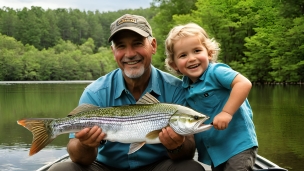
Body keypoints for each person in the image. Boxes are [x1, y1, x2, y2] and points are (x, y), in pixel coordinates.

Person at [48, 15, 205, 171]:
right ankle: (51, 128)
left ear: (153, 46)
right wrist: (85, 144)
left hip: (158, 166)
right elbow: (78, 157)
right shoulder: (95, 92)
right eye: (121, 46)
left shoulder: (177, 89)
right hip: (105, 166)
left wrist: (176, 146)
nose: (129, 54)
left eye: (137, 44)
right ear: (113, 51)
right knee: (62, 169)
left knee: (190, 168)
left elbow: (188, 152)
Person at [164, 23, 258, 171]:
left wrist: (226, 113)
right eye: (183, 55)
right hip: (215, 149)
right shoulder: (184, 88)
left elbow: (243, 83)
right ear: (174, 64)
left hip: (237, 144)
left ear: (209, 53)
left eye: (197, 51)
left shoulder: (216, 72)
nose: (191, 58)